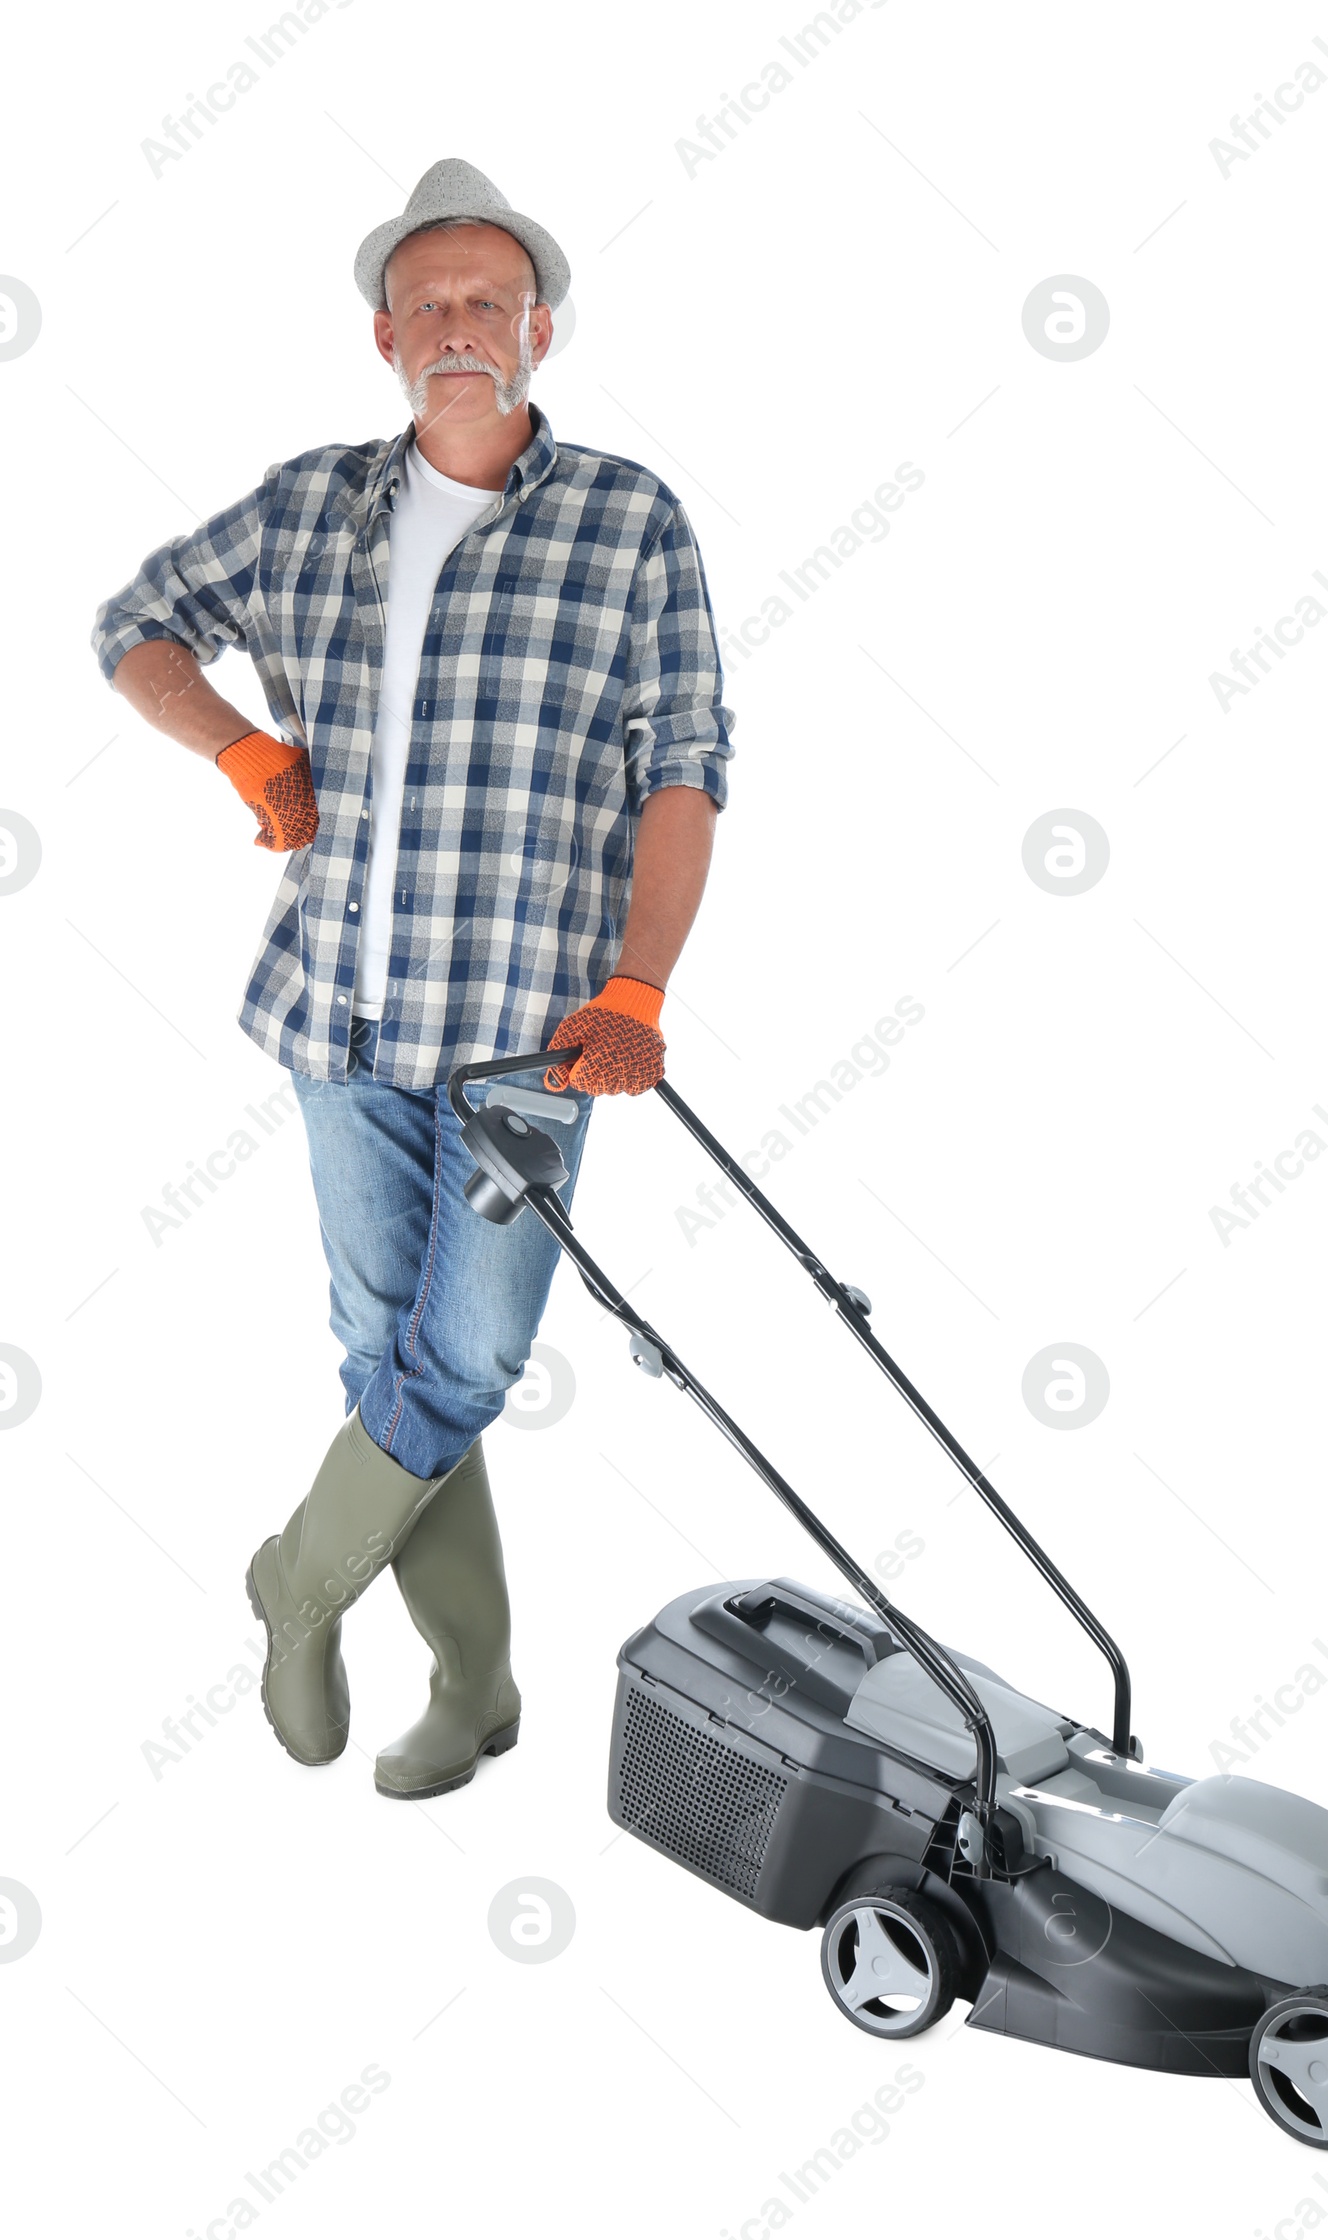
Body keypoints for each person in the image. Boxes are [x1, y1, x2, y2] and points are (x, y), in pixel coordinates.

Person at [89, 158, 734, 1800]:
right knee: (385, 1359)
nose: (461, 327)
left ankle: (295, 1582)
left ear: (539, 333)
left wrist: (642, 988)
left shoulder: (630, 518)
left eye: (490, 302)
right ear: (386, 336)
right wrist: (237, 746)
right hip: (338, 1018)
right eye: (430, 302)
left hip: (535, 1039)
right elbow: (136, 620)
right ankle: (481, 1682)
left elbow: (687, 766)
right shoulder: (307, 504)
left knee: (463, 1363)